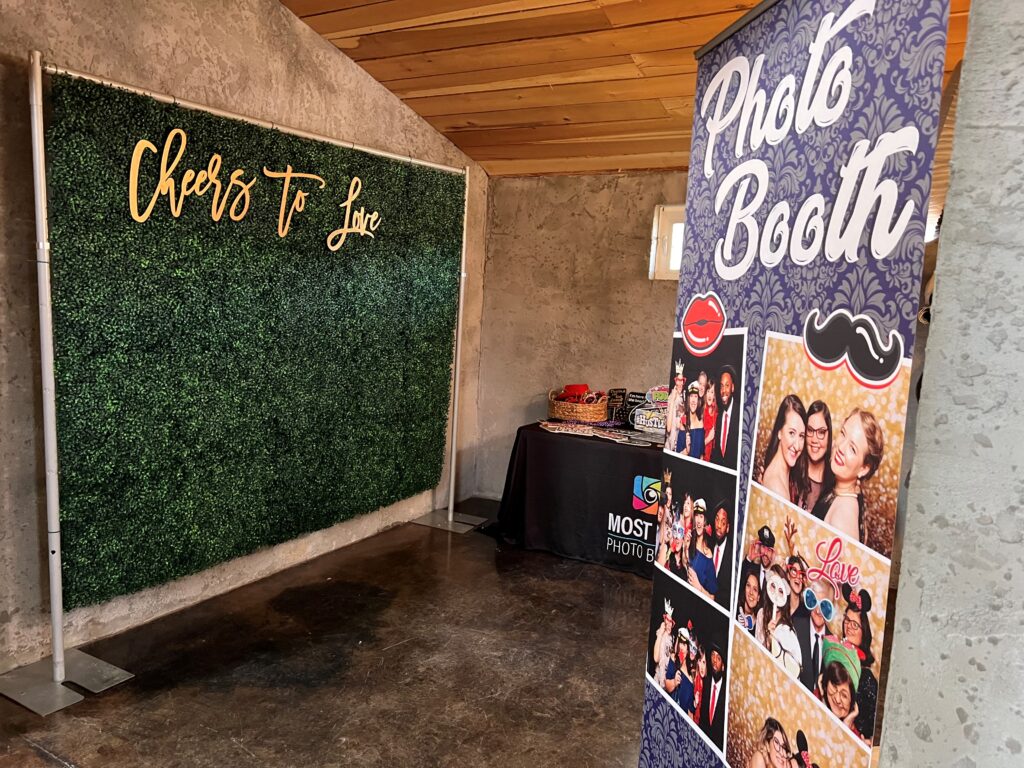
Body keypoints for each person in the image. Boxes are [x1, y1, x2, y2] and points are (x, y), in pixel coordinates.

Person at [812, 408, 884, 543]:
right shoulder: (844, 492)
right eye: (843, 434)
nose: (841, 447)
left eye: (852, 449)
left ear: (863, 468)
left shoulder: (843, 517)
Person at [841, 584, 879, 740]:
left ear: (864, 633)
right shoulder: (834, 657)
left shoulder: (866, 678)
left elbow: (869, 731)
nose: (849, 627)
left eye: (855, 625)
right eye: (847, 620)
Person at [758, 394, 809, 506]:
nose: (797, 446)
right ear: (779, 432)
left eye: (801, 436)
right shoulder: (776, 489)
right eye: (791, 433)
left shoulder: (787, 473)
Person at [755, 564, 802, 677]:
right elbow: (756, 654)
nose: (776, 593)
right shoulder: (761, 614)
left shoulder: (788, 630)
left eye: (780, 590)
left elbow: (794, 671)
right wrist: (767, 637)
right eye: (772, 586)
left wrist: (775, 641)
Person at [793, 577, 836, 693]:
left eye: (824, 606)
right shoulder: (795, 627)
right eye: (814, 602)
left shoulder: (834, 646)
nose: (818, 611)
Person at [818, 638, 863, 737]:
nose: (837, 699)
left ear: (852, 701)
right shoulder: (815, 697)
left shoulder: (855, 737)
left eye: (844, 695)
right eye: (834, 687)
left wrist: (845, 727)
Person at [803, 401, 834, 513]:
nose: (814, 440)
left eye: (821, 432)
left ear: (829, 435)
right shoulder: (792, 468)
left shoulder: (835, 482)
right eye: (810, 430)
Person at [686, 500, 718, 600]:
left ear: (705, 521)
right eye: (696, 516)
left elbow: (712, 597)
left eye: (701, 516)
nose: (699, 520)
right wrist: (685, 548)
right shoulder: (688, 542)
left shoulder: (707, 554)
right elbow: (683, 565)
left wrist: (698, 587)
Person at [699, 639, 727, 746]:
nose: (714, 660)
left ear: (723, 666)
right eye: (713, 655)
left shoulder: (726, 694)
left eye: (718, 658)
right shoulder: (706, 682)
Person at [710, 365, 739, 468]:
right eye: (721, 386)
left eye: (727, 385)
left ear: (733, 388)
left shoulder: (740, 416)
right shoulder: (718, 417)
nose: (723, 391)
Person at [664, 628, 695, 713]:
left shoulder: (691, 674)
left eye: (684, 645)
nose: (681, 647)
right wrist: (674, 682)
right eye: (680, 643)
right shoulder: (674, 659)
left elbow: (690, 710)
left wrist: (695, 703)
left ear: (688, 649)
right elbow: (667, 685)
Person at [710, 501, 733, 609]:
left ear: (728, 528)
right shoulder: (708, 545)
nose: (719, 526)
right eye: (717, 519)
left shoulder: (732, 555)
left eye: (723, 522)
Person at [741, 525, 776, 592]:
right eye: (763, 547)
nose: (765, 553)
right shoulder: (751, 568)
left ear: (773, 552)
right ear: (759, 548)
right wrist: (748, 559)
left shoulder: (775, 576)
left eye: (769, 549)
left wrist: (773, 565)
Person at [652, 600, 676, 686]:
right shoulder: (660, 634)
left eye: (671, 622)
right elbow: (656, 658)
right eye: (668, 621)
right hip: (658, 681)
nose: (669, 624)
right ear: (664, 620)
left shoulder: (672, 639)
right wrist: (660, 634)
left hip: (667, 683)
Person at [665, 361, 685, 451]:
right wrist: (672, 400)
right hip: (670, 444)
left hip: (680, 443)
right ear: (675, 380)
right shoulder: (670, 398)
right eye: (678, 380)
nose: (680, 383)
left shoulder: (684, 398)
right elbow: (668, 428)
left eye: (682, 380)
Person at [681, 381, 705, 458]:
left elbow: (701, 455)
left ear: (698, 401)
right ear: (688, 399)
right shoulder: (683, 422)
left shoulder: (701, 423)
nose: (693, 400)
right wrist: (687, 451)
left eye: (696, 396)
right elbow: (677, 454)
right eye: (691, 396)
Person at [737, 570, 761, 635]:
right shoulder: (734, 610)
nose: (751, 592)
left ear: (758, 597)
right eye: (748, 585)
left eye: (755, 589)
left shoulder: (759, 625)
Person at [785, 555, 809, 620]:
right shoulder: (781, 608)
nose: (798, 576)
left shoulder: (807, 613)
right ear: (788, 576)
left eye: (801, 574)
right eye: (794, 571)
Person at [702, 382, 718, 463]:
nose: (709, 395)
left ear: (714, 395)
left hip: (713, 455)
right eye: (708, 391)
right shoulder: (702, 411)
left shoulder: (717, 412)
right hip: (702, 453)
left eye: (712, 392)